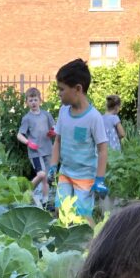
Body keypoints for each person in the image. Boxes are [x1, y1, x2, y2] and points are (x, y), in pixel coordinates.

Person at [48, 58, 108, 222]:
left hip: (85, 175)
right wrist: (53, 165)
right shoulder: (63, 112)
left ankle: (90, 246)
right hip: (66, 172)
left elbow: (103, 150)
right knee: (61, 210)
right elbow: (58, 141)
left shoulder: (93, 117)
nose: (59, 93)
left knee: (82, 215)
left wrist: (100, 179)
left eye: (61, 89)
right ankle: (65, 245)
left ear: (78, 89)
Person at [16, 87, 55, 207]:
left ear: (40, 100)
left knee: (47, 178)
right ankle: (27, 192)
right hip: (35, 152)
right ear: (27, 102)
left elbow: (54, 128)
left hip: (48, 150)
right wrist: (28, 142)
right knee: (41, 174)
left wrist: (52, 132)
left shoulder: (46, 115)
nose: (33, 102)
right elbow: (19, 135)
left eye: (35, 100)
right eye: (30, 100)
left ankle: (45, 202)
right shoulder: (27, 118)